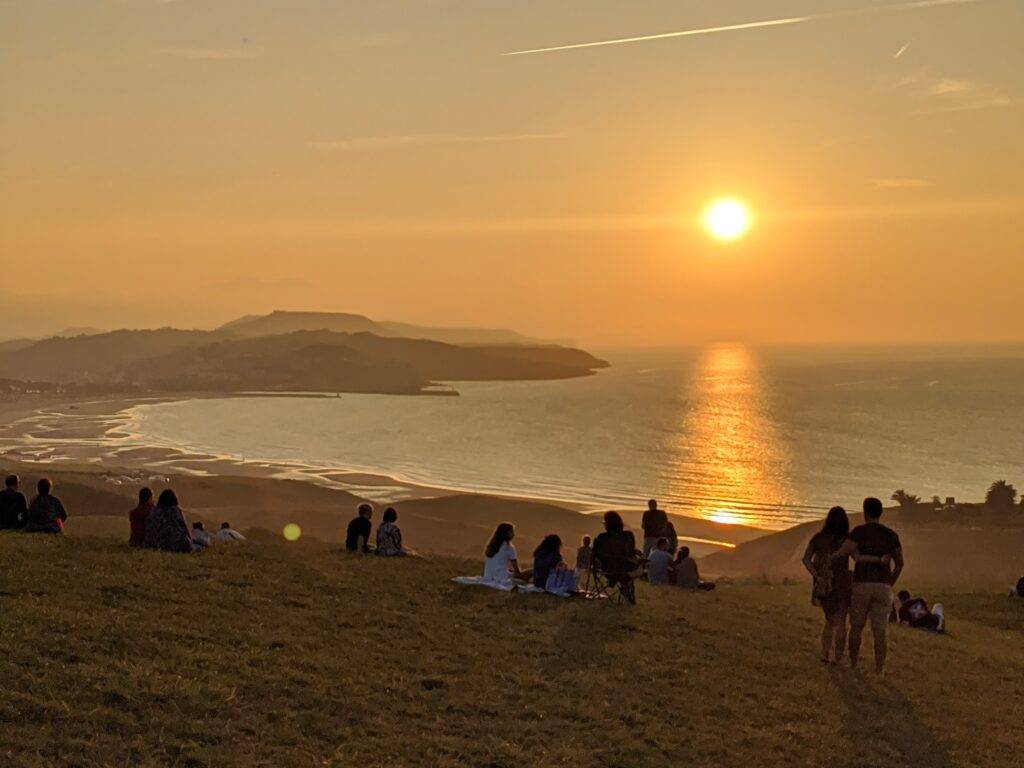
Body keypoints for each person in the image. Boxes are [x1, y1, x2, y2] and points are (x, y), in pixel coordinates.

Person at [835, 497, 904, 674]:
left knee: (856, 627)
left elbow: (844, 552)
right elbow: (900, 563)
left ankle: (853, 663)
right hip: (883, 586)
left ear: (865, 513)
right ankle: (879, 670)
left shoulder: (859, 532)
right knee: (880, 631)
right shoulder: (891, 535)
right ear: (880, 513)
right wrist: (890, 582)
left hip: (862, 583)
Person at [801, 506, 853, 664]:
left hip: (824, 583)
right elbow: (856, 557)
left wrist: (816, 575)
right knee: (842, 621)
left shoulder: (818, 538)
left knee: (829, 621)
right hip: (843, 582)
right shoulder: (847, 540)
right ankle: (838, 657)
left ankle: (825, 655)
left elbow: (806, 559)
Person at [592, 511, 642, 603]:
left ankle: (616, 581)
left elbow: (595, 555)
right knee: (637, 567)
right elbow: (630, 553)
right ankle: (627, 592)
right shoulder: (627, 535)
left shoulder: (601, 537)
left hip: (607, 570)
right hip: (625, 568)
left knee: (622, 571)